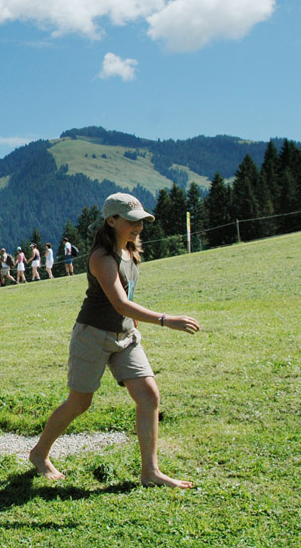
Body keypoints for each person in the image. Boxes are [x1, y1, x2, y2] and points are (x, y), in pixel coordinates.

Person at [29, 193, 201, 488]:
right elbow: (120, 303)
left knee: (149, 396)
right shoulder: (101, 257)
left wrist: (133, 320)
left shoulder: (131, 251)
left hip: (125, 336)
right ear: (111, 220)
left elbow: (126, 296)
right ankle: (39, 453)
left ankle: (150, 472)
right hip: (93, 335)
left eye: (141, 221)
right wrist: (165, 319)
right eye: (132, 221)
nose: (138, 227)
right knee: (79, 403)